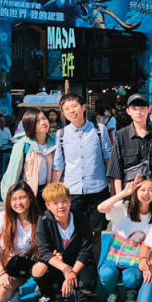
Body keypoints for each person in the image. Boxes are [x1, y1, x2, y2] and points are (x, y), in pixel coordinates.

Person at [52, 93, 112, 259]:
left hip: (98, 190)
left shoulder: (99, 130)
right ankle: (74, 271)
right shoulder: (61, 135)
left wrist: (114, 188)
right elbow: (58, 165)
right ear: (63, 113)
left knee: (95, 234)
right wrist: (52, 195)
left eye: (75, 106)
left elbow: (108, 158)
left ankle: (92, 271)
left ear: (83, 107)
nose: (72, 111)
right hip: (72, 193)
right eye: (67, 108)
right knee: (74, 235)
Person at [31, 182, 98, 302]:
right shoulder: (44, 221)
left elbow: (85, 250)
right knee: (38, 269)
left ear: (70, 201)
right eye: (55, 203)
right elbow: (44, 252)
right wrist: (66, 270)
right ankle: (49, 296)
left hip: (77, 264)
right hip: (58, 265)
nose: (61, 206)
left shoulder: (80, 218)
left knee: (87, 285)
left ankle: (79, 291)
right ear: (48, 205)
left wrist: (72, 273)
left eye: (64, 201)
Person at [96, 175, 152, 302]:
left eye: (151, 190)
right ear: (135, 191)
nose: (147, 194)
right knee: (106, 274)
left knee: (132, 278)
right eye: (142, 190)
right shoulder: (123, 208)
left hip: (135, 261)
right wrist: (124, 193)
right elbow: (101, 208)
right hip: (114, 257)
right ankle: (113, 292)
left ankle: (131, 290)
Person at [107, 94, 152, 213]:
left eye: (142, 108)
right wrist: (120, 198)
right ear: (128, 111)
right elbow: (116, 171)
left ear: (148, 110)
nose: (138, 112)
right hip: (130, 198)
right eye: (134, 109)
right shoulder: (121, 136)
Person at [1, 108, 57, 208]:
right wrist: (9, 200)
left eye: (44, 118)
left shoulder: (54, 143)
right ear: (30, 125)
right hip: (29, 194)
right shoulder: (23, 145)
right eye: (37, 121)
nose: (43, 122)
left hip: (49, 194)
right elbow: (13, 174)